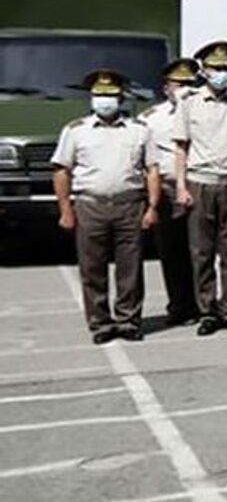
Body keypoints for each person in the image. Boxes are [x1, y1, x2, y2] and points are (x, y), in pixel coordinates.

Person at [54, 70, 160, 344]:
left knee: (130, 268)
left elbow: (152, 170)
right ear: (91, 98)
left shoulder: (139, 130)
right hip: (91, 205)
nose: (105, 101)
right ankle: (100, 323)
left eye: (111, 95)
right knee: (92, 268)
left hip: (130, 205)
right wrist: (65, 209)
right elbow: (62, 171)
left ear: (121, 98)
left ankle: (128, 320)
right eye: (100, 95)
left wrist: (152, 206)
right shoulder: (76, 130)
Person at [174, 41, 227, 336]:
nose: (222, 73)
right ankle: (207, 311)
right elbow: (181, 147)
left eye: (226, 67)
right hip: (200, 181)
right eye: (216, 68)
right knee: (202, 252)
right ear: (204, 71)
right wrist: (181, 186)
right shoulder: (189, 103)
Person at [139, 58, 201, 326]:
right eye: (179, 84)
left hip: (199, 184)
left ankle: (204, 303)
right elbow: (143, 159)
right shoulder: (150, 119)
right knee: (172, 251)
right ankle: (180, 305)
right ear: (166, 88)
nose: (185, 89)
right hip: (166, 188)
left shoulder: (205, 111)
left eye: (190, 83)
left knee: (201, 250)